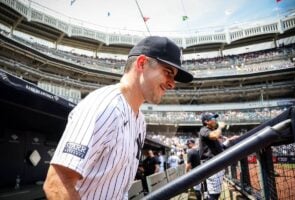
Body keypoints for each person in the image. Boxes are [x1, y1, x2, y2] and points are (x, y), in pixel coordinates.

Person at [43, 36, 193, 200]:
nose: (172, 83)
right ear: (141, 63)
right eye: (168, 72)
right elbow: (56, 184)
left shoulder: (140, 121)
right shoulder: (104, 106)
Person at [198, 112, 239, 200]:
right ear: (206, 121)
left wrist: (229, 140)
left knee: (215, 193)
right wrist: (220, 126)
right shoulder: (204, 129)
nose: (215, 120)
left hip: (215, 165)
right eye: (213, 118)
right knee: (214, 195)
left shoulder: (211, 131)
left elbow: (220, 147)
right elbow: (215, 136)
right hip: (211, 165)